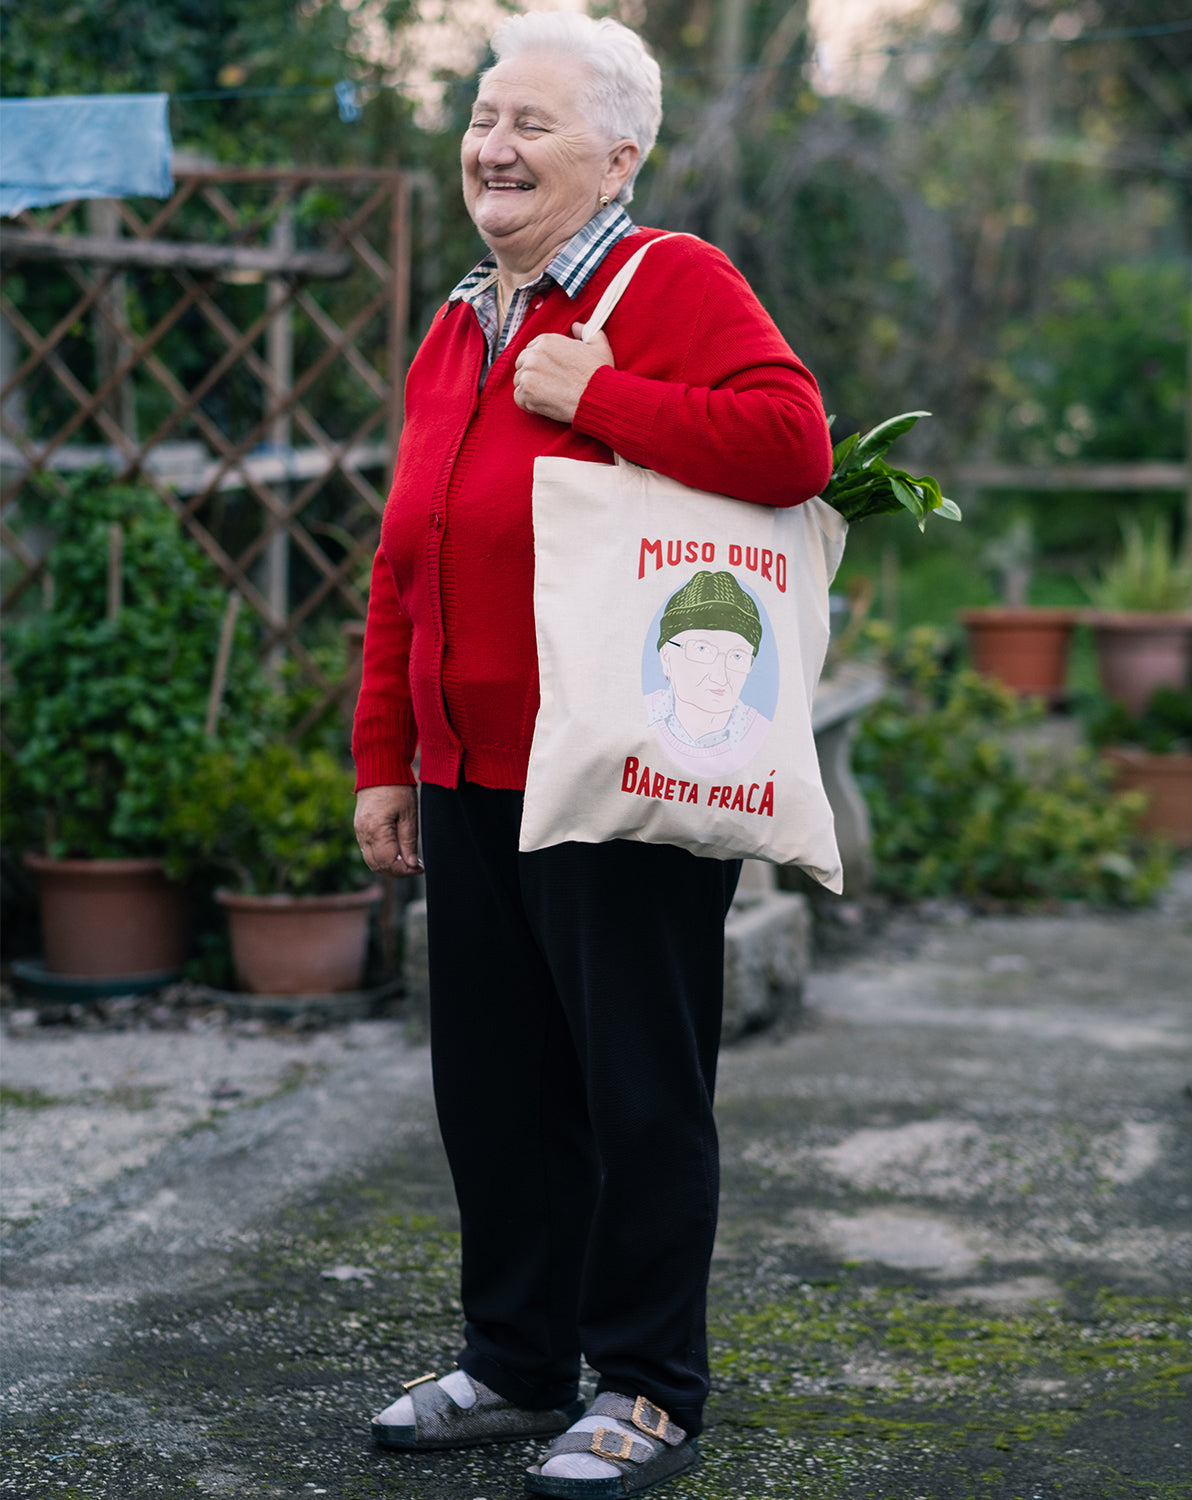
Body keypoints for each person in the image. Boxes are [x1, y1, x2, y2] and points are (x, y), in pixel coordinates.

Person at [352, 12, 832, 1496]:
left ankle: (647, 1387)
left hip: (620, 769)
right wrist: (386, 754)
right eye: (482, 118)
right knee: (495, 1091)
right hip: (471, 773)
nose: (492, 147)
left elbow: (794, 443)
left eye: (531, 124)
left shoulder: (670, 281)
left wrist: (593, 397)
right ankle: (514, 1363)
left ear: (619, 157)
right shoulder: (460, 321)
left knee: (636, 1093)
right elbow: (405, 556)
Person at [646, 570, 771, 777]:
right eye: (702, 649)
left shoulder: (767, 735)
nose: (720, 677)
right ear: (666, 656)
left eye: (737, 656)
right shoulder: (633, 715)